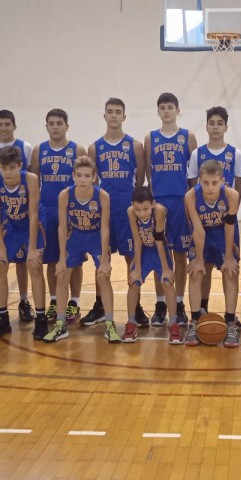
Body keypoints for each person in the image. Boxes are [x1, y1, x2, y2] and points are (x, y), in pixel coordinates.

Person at [85, 98, 149, 328]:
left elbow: (140, 178)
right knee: (101, 258)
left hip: (127, 210)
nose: (113, 115)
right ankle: (100, 306)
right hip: (104, 211)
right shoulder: (94, 147)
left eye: (118, 112)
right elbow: (92, 181)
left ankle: (136, 306)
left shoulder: (135, 145)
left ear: (124, 116)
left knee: (133, 257)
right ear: (104, 116)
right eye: (110, 112)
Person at [44, 156, 119, 344]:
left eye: (87, 176)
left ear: (94, 177)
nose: (83, 179)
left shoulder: (102, 196)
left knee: (103, 276)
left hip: (95, 236)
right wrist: (61, 259)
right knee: (62, 275)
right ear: (73, 176)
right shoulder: (65, 195)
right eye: (79, 175)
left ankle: (110, 324)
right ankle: (60, 324)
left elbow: (105, 229)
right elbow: (62, 227)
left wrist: (104, 260)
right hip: (76, 236)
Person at [186, 106, 241, 318]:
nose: (216, 127)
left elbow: (239, 186)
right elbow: (193, 186)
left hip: (225, 222)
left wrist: (229, 209)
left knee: (230, 268)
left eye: (220, 123)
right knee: (202, 267)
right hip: (202, 220)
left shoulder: (235, 154)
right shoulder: (197, 154)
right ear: (206, 127)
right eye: (212, 123)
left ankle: (231, 318)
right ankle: (201, 310)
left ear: (226, 127)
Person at [31, 109, 87, 330]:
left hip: (71, 208)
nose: (55, 127)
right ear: (46, 126)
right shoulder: (39, 150)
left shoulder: (77, 150)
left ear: (67, 126)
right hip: (48, 209)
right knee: (52, 258)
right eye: (51, 123)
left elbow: (86, 180)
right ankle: (54, 301)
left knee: (74, 258)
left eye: (59, 123)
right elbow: (34, 181)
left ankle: (74, 302)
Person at [144, 92, 197, 326]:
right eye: (163, 107)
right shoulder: (150, 138)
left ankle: (180, 302)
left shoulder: (188, 136)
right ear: (158, 111)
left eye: (170, 107)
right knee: (160, 255)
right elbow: (148, 170)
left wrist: (192, 201)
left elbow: (193, 172)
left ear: (178, 110)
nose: (166, 111)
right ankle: (160, 304)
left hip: (181, 201)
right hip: (159, 202)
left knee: (180, 254)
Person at [0, 110, 34, 327]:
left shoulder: (25, 147)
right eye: (0, 124)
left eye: (7, 124)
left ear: (14, 125)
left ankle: (23, 301)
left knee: (23, 261)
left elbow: (29, 178)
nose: (4, 128)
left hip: (22, 212)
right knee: (0, 260)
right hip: (1, 213)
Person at [0, 146, 44, 339]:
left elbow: (33, 214)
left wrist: (32, 248)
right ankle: (2, 318)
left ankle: (41, 320)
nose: (8, 172)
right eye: (4, 167)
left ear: (19, 165)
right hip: (10, 226)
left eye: (11, 167)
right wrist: (1, 247)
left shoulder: (30, 179)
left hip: (30, 225)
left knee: (34, 265)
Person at [183, 160, 240, 347]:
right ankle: (194, 321)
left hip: (223, 234)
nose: (210, 187)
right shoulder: (191, 196)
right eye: (205, 182)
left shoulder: (231, 195)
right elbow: (198, 230)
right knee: (196, 272)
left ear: (222, 181)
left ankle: (230, 322)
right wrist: (199, 259)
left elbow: (230, 226)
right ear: (199, 180)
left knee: (230, 272)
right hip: (202, 234)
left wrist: (229, 257)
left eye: (214, 182)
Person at [125, 187, 181, 344]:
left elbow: (159, 240)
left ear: (153, 204)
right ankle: (131, 324)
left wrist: (166, 269)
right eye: (138, 209)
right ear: (132, 205)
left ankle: (173, 324)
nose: (142, 213)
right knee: (134, 282)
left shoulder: (159, 211)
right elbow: (137, 240)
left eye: (145, 209)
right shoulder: (130, 212)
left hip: (160, 250)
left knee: (167, 283)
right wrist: (136, 268)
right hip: (145, 251)